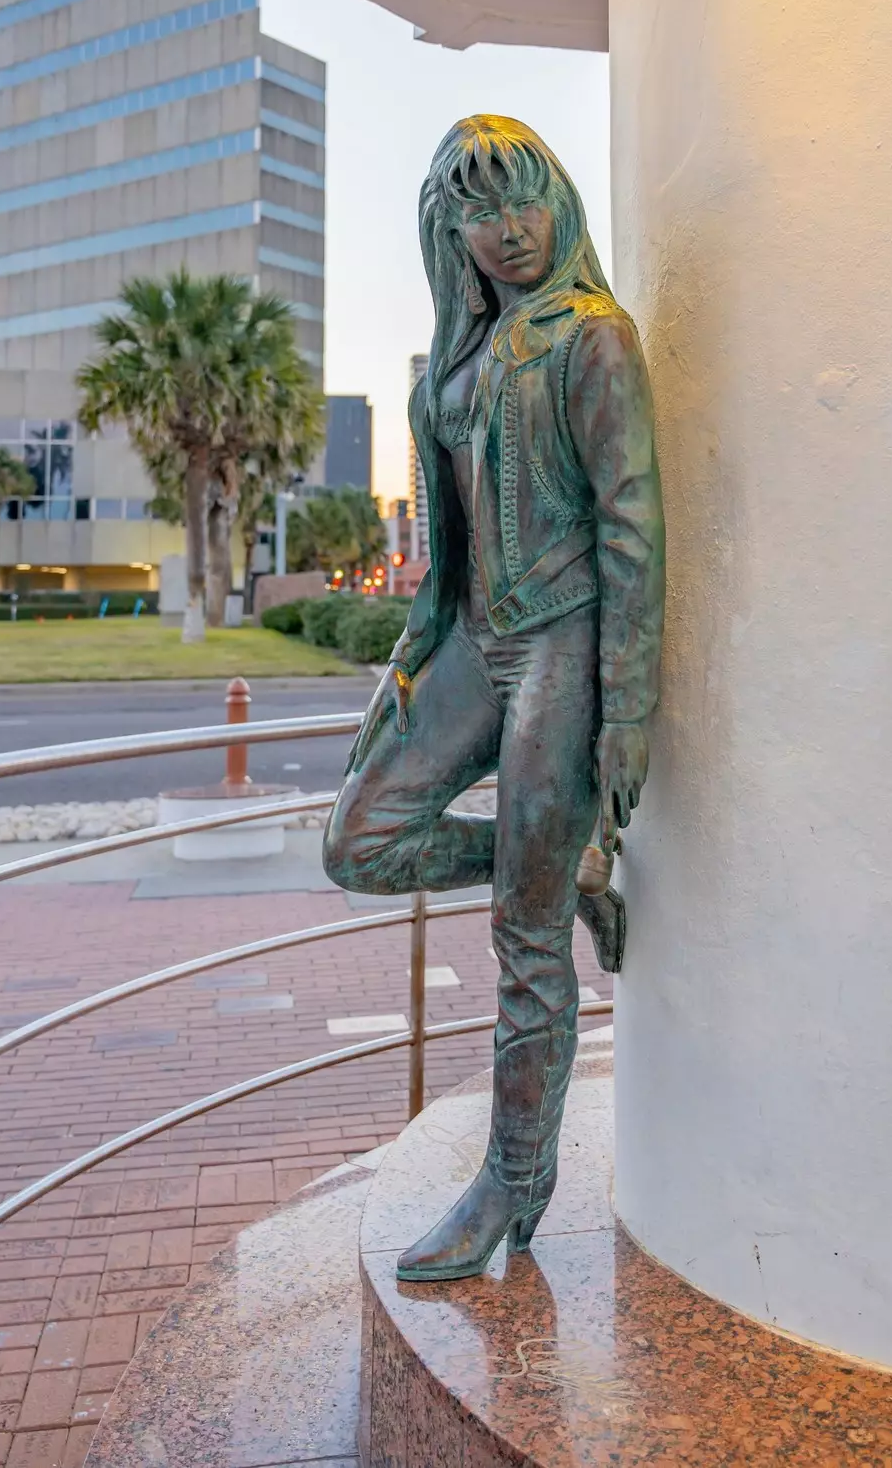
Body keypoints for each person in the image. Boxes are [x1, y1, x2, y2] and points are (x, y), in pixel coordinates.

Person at [323, 114, 665, 1281]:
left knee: (521, 948)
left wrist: (625, 706)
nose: (508, 230)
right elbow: (449, 551)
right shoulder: (457, 361)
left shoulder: (594, 339)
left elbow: (631, 529)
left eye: (523, 202)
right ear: (447, 231)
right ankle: (553, 861)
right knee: (360, 842)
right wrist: (405, 663)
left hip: (562, 645)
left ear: (557, 204)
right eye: (478, 211)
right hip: (474, 641)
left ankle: (514, 1178)